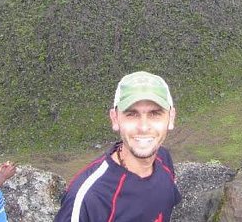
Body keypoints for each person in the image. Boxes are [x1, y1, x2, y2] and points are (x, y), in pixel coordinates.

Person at [55, 70, 182, 222]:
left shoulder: (164, 160)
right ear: (115, 119)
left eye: (155, 113)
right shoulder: (89, 198)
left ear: (171, 118)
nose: (143, 127)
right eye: (131, 114)